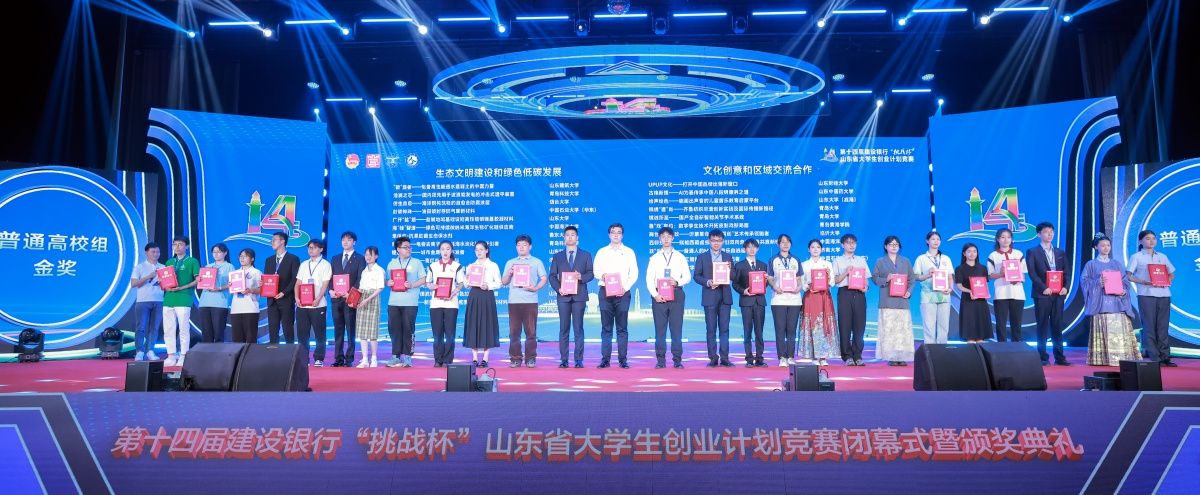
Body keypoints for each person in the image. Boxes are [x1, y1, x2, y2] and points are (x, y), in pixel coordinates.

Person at [1082, 234, 1141, 366]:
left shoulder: (1116, 264)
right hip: (1101, 303)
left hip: (1117, 302)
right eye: (1102, 245)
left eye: (1108, 245)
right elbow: (1084, 282)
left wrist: (1124, 290)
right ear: (1096, 247)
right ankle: (1102, 359)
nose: (1106, 248)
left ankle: (1123, 357)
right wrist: (1098, 283)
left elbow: (1125, 281)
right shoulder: (1091, 264)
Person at [1126, 230, 1178, 367]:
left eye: (1154, 238)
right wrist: (1143, 282)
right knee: (1149, 326)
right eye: (1148, 238)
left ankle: (1165, 356)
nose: (1151, 241)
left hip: (1164, 294)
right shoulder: (1136, 257)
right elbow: (1129, 275)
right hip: (1146, 294)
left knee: (1163, 327)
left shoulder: (1162, 256)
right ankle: (1155, 357)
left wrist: (1168, 280)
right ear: (1141, 241)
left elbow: (1171, 273)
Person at [594, 223, 639, 369]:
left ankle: (623, 360)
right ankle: (605, 360)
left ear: (622, 235)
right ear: (609, 235)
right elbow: (596, 270)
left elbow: (634, 274)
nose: (615, 235)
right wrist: (603, 275)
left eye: (619, 232)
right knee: (606, 328)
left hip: (623, 294)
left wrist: (625, 288)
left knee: (622, 328)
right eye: (613, 232)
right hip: (605, 293)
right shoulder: (602, 252)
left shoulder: (629, 252)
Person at [548, 226, 594, 368]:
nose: (570, 237)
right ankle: (564, 360)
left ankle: (579, 360)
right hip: (563, 297)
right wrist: (559, 288)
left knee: (578, 329)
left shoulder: (586, 255)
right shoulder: (558, 256)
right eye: (567, 235)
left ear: (577, 238)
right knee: (564, 329)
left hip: (579, 296)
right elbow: (552, 276)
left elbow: (591, 273)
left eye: (573, 235)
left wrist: (581, 277)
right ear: (564, 238)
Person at [1026, 222, 1070, 365]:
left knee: (1057, 325)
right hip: (1042, 294)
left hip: (1058, 294)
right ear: (1039, 234)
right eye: (1046, 232)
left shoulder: (1060, 252)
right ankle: (1042, 357)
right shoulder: (1032, 252)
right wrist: (1043, 287)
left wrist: (1066, 287)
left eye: (1051, 232)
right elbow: (1032, 273)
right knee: (1042, 325)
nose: (1049, 234)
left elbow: (1067, 272)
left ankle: (1060, 357)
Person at [646, 227, 691, 369]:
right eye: (663, 236)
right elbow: (649, 279)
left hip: (676, 294)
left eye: (668, 236)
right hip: (659, 295)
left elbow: (687, 277)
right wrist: (655, 295)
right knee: (660, 330)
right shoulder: (654, 258)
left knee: (676, 329)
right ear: (659, 239)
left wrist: (677, 282)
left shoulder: (680, 257)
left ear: (673, 238)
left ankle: (677, 360)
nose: (666, 239)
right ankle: (660, 360)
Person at [501, 234, 548, 368]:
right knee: (514, 333)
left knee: (531, 332)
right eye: (519, 245)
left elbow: (544, 278)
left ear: (530, 247)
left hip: (530, 301)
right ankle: (515, 358)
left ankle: (530, 358)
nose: (521, 247)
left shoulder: (536, 262)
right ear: (516, 247)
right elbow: (504, 282)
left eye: (524, 245)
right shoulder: (510, 262)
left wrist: (536, 288)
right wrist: (509, 274)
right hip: (514, 301)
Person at [694, 229, 735, 368]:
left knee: (724, 329)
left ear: (723, 241)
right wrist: (708, 282)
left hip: (725, 296)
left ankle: (725, 358)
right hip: (709, 296)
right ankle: (712, 358)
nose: (716, 243)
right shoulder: (702, 257)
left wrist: (730, 269)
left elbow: (733, 277)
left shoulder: (728, 257)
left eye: (719, 240)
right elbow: (696, 276)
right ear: (709, 241)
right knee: (711, 329)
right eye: (713, 240)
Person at [872, 235, 915, 366]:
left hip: (902, 300)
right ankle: (890, 356)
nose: (894, 246)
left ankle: (902, 356)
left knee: (902, 330)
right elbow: (874, 278)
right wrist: (886, 279)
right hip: (887, 300)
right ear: (886, 246)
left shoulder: (906, 261)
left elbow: (912, 279)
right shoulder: (880, 261)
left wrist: (909, 291)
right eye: (891, 244)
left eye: (896, 244)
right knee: (889, 330)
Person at [385, 237, 426, 368]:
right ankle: (395, 356)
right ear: (398, 249)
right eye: (405, 247)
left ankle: (408, 357)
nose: (409, 249)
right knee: (394, 329)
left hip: (410, 302)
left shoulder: (417, 262)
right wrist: (388, 282)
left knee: (409, 329)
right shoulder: (391, 264)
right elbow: (386, 280)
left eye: (410, 247)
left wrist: (412, 285)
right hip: (394, 301)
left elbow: (423, 279)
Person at [799, 240, 839, 366]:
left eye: (818, 247)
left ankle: (823, 356)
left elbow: (832, 282)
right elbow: (802, 283)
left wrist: (827, 278)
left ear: (821, 249)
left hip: (824, 297)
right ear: (808, 249)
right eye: (812, 247)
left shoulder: (827, 264)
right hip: (810, 297)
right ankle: (813, 355)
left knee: (824, 324)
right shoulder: (804, 264)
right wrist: (809, 285)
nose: (815, 249)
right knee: (811, 323)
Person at [832, 234, 870, 366]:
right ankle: (847, 356)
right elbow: (835, 280)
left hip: (859, 294)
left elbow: (866, 279)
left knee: (859, 326)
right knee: (845, 325)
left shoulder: (861, 260)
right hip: (845, 293)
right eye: (848, 242)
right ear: (842, 245)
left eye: (853, 242)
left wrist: (866, 287)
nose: (851, 245)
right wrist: (845, 272)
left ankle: (858, 355)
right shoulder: (837, 260)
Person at [426, 240, 465, 367]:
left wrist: (454, 293)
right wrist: (431, 286)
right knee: (437, 333)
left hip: (451, 304)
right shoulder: (433, 266)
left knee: (450, 333)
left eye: (448, 249)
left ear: (451, 250)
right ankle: (438, 359)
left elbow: (461, 283)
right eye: (443, 249)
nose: (445, 251)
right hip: (436, 304)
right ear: (439, 251)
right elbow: (427, 282)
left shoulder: (457, 266)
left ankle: (448, 359)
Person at [330, 231, 366, 367]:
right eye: (343, 240)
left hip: (350, 299)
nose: (345, 242)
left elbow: (360, 278)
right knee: (338, 329)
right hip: (336, 299)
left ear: (354, 242)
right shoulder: (335, 258)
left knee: (350, 329)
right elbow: (330, 277)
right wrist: (330, 290)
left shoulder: (360, 258)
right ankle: (338, 358)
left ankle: (349, 358)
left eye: (349, 240)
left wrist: (350, 293)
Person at [162, 236, 200, 367]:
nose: (177, 247)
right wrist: (164, 285)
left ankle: (183, 356)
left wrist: (182, 287)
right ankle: (171, 356)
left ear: (187, 246)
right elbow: (164, 279)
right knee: (168, 329)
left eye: (180, 244)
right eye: (175, 244)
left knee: (183, 329)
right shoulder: (169, 261)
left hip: (184, 298)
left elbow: (197, 280)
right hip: (169, 299)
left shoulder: (192, 261)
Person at [464, 241, 502, 367]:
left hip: (486, 295)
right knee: (473, 325)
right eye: (476, 250)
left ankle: (485, 358)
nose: (479, 252)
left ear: (487, 250)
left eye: (481, 249)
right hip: (474, 295)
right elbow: (466, 284)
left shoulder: (493, 265)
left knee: (487, 325)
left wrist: (488, 286)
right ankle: (474, 358)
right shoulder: (471, 266)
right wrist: (467, 277)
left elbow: (499, 283)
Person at [767, 234, 803, 366]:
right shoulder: (773, 260)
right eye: (782, 242)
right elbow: (770, 278)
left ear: (791, 244)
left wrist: (799, 287)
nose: (785, 244)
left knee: (792, 329)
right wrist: (775, 287)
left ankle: (791, 357)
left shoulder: (796, 259)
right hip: (779, 299)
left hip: (794, 300)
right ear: (778, 244)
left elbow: (799, 278)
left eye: (788, 242)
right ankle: (782, 357)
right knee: (780, 329)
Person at [295, 239, 332, 366]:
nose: (311, 250)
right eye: (309, 247)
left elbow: (325, 284)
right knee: (302, 334)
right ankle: (304, 358)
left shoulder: (326, 265)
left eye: (314, 247)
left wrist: (318, 298)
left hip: (318, 305)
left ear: (321, 249)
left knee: (319, 333)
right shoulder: (303, 264)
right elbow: (298, 283)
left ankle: (319, 358)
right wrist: (297, 298)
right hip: (302, 305)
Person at [987, 228, 1027, 342]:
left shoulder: (1018, 254)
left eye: (1009, 237)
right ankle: (1001, 347)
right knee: (1001, 323)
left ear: (1012, 239)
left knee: (1016, 323)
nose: (1006, 240)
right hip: (1001, 293)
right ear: (997, 239)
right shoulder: (993, 255)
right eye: (1003, 237)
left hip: (1017, 293)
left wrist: (1017, 278)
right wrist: (1001, 274)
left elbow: (1023, 273)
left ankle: (1017, 346)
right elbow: (990, 275)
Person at [913, 232, 953, 344]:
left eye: (938, 239)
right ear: (927, 241)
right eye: (933, 239)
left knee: (944, 326)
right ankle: (930, 350)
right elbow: (915, 276)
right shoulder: (921, 258)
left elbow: (950, 277)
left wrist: (950, 288)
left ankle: (942, 350)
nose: (936, 241)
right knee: (929, 326)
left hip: (944, 296)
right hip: (928, 296)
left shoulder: (946, 258)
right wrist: (927, 275)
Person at [733, 238, 767, 368]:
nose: (752, 249)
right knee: (747, 331)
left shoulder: (763, 265)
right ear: (745, 249)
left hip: (760, 302)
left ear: (757, 249)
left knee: (759, 332)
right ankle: (749, 358)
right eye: (749, 247)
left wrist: (764, 282)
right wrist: (744, 291)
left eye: (754, 247)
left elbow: (765, 284)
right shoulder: (739, 265)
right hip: (746, 302)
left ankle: (759, 358)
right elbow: (735, 284)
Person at [263, 231, 300, 344]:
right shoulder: (269, 260)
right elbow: (267, 279)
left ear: (283, 241)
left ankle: (291, 352)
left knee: (287, 328)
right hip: (272, 300)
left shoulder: (293, 259)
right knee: (273, 329)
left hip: (286, 299)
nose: (272, 242)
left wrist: (284, 292)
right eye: (272, 240)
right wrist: (262, 284)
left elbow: (295, 280)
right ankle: (273, 351)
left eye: (274, 240)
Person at [130, 242, 164, 361]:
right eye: (153, 252)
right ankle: (139, 351)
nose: (156, 254)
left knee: (154, 327)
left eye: (158, 252)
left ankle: (150, 350)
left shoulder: (163, 267)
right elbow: (133, 284)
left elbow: (168, 284)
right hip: (143, 301)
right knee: (141, 327)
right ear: (146, 253)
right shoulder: (139, 267)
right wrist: (148, 276)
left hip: (159, 300)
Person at [954, 243, 993, 343]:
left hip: (981, 301)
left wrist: (987, 293)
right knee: (970, 330)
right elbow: (959, 286)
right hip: (968, 300)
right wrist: (971, 291)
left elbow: (984, 284)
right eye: (969, 251)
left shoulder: (983, 268)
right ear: (964, 253)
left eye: (974, 251)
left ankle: (981, 343)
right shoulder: (959, 268)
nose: (972, 254)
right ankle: (970, 344)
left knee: (980, 334)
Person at [196, 243, 234, 343]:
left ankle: (218, 352)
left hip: (220, 303)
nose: (216, 254)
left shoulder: (229, 267)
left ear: (225, 253)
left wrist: (219, 288)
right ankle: (207, 352)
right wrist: (199, 280)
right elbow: (202, 283)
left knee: (218, 333)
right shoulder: (208, 266)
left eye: (219, 252)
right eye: (214, 252)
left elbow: (233, 284)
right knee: (206, 333)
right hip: (205, 302)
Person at [354, 246, 385, 368]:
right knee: (362, 332)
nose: (368, 257)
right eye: (366, 254)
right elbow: (360, 288)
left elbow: (380, 288)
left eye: (370, 255)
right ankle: (365, 359)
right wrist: (354, 299)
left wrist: (367, 299)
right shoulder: (364, 271)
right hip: (362, 298)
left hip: (373, 299)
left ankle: (374, 358)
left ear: (376, 256)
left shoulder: (379, 270)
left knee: (372, 332)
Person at [229, 248, 262, 344]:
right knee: (237, 340)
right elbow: (232, 291)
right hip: (236, 309)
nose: (242, 258)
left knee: (250, 339)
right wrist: (230, 286)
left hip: (250, 308)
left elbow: (262, 290)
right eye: (241, 256)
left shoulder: (256, 272)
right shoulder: (235, 273)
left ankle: (250, 355)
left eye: (245, 256)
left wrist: (250, 290)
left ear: (252, 259)